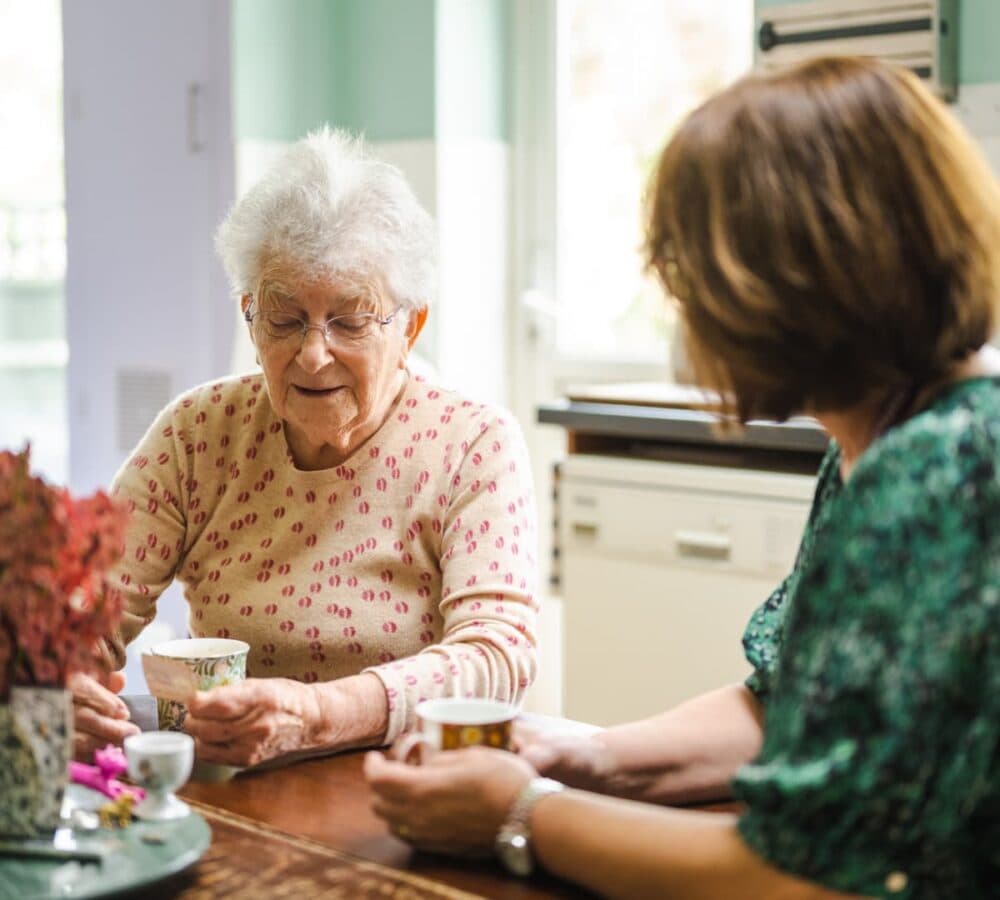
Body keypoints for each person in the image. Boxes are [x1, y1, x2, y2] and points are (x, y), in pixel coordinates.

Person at [365, 57, 1000, 898]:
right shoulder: (886, 442)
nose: (685, 307)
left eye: (691, 272)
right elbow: (779, 710)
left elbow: (794, 880)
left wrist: (523, 813)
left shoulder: (931, 476)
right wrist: (580, 757)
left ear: (791, 279)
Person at [71, 128, 538, 766]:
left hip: (410, 789)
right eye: (285, 319)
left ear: (410, 326)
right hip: (231, 784)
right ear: (249, 315)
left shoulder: (472, 444)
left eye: (349, 320)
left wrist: (321, 713)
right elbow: (83, 606)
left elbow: (497, 655)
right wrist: (56, 679)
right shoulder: (197, 434)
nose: (314, 355)